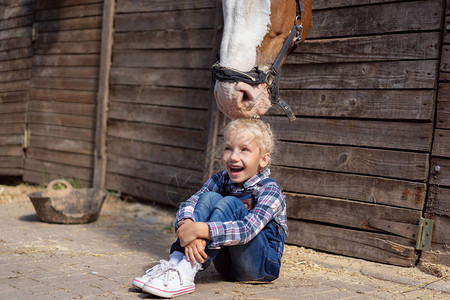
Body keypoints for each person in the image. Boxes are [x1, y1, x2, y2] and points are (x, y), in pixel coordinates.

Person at [132, 118, 288, 298]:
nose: (233, 157)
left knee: (231, 204)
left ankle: (186, 272)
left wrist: (200, 229)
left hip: (259, 268)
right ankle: (174, 264)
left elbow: (247, 230)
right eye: (228, 148)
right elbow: (191, 202)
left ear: (263, 159)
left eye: (244, 150)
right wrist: (187, 225)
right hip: (226, 268)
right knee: (209, 197)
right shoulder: (222, 179)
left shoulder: (270, 190)